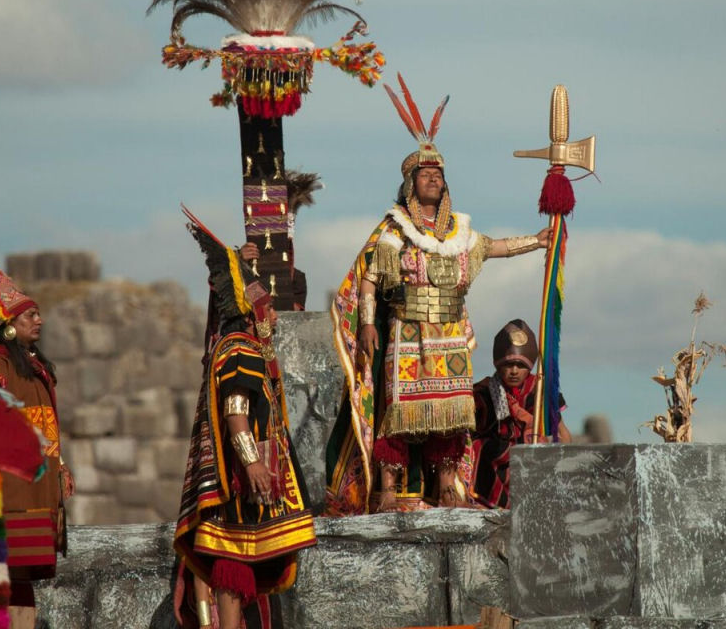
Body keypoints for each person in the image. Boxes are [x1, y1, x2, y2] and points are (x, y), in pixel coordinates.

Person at [326, 75, 549, 514]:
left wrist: (538, 241)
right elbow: (369, 276)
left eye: (437, 175)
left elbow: (495, 247)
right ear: (411, 183)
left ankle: (447, 485)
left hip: (448, 330)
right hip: (408, 329)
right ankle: (388, 489)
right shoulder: (394, 229)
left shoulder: (459, 232)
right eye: (425, 174)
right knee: (401, 412)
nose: (433, 179)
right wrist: (368, 322)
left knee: (448, 412)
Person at [173, 209, 316, 629]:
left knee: (239, 572)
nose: (272, 318)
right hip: (240, 480)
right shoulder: (241, 348)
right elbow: (236, 412)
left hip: (235, 478)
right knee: (234, 572)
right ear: (252, 313)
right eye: (267, 310)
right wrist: (252, 462)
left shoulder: (233, 346)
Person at [0, 254, 74, 629]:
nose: (39, 320)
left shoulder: (32, 364)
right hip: (4, 489)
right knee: (0, 573)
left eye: (38, 314)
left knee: (22, 578)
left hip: (34, 487)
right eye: (30, 316)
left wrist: (60, 469)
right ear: (9, 325)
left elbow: (48, 428)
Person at [470, 319, 570, 509]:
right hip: (492, 466)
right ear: (498, 365)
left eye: (520, 365)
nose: (514, 371)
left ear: (530, 366)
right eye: (508, 365)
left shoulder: (541, 391)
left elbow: (563, 434)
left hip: (533, 462)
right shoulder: (482, 393)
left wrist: (560, 465)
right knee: (478, 446)